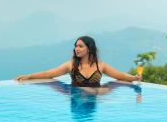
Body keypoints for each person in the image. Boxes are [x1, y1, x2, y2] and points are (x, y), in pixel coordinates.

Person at [14, 36, 142, 86]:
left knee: (111, 87)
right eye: (76, 46)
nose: (77, 49)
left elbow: (119, 75)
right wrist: (29, 76)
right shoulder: (70, 65)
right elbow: (50, 73)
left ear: (89, 48)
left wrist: (135, 78)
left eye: (80, 46)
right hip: (76, 97)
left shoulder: (100, 65)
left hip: (93, 99)